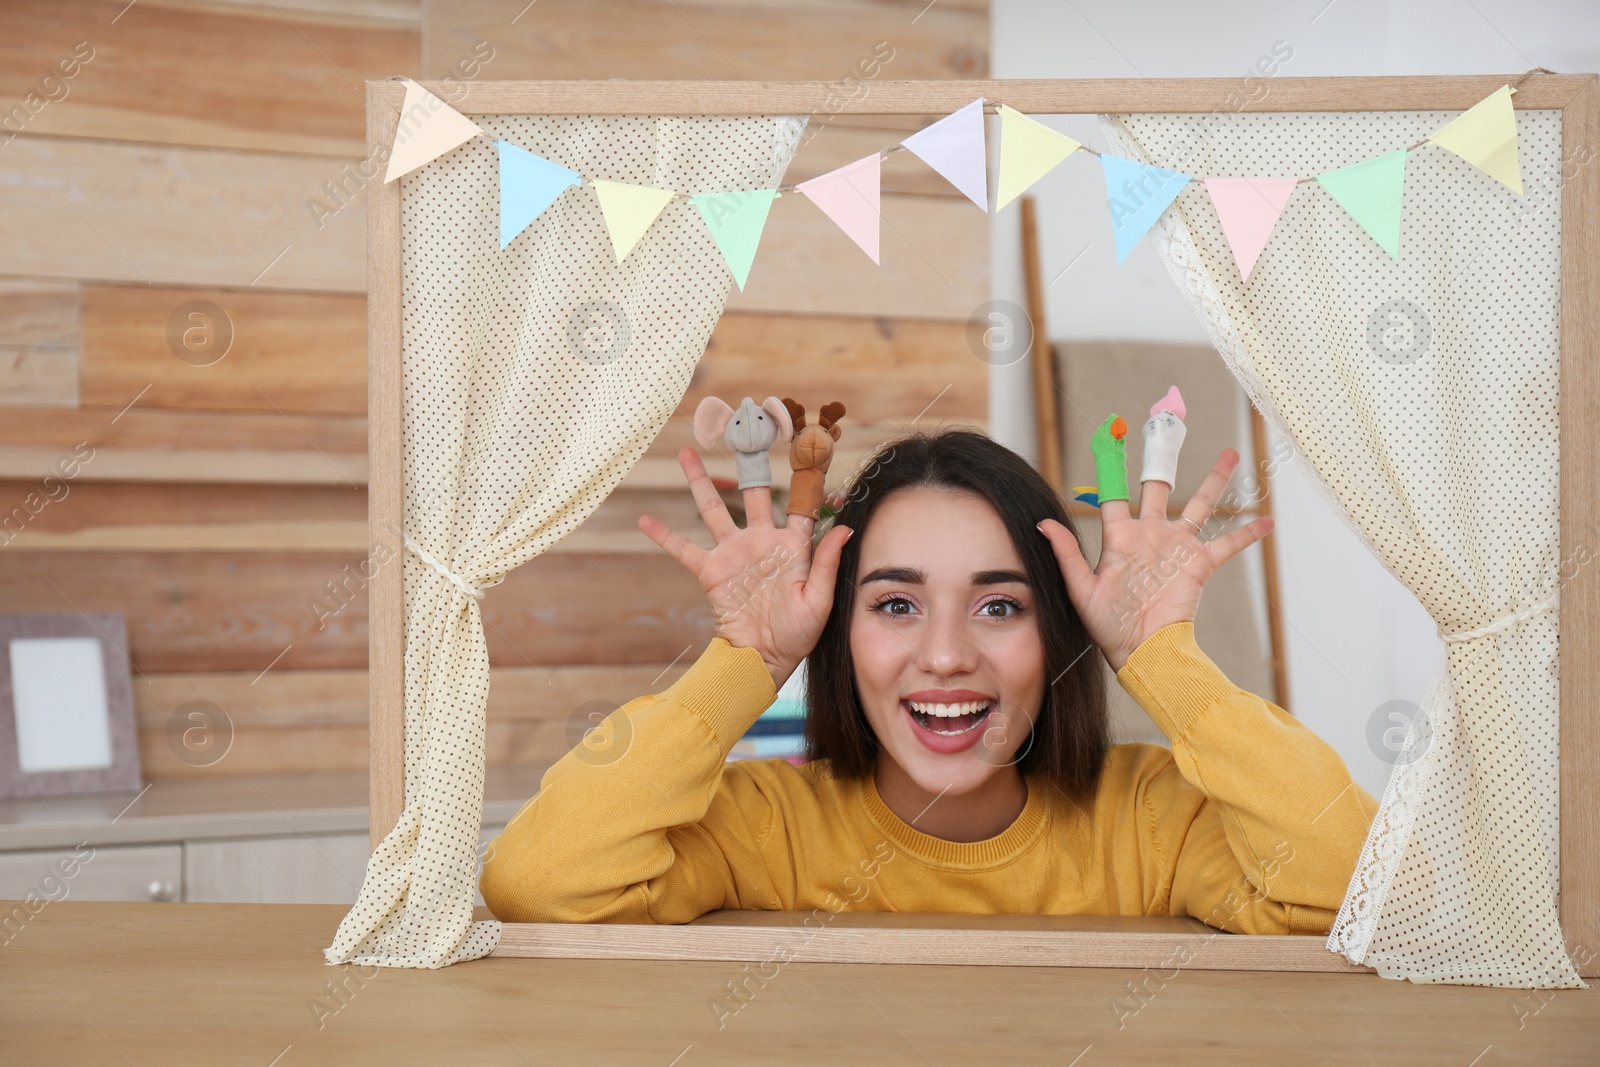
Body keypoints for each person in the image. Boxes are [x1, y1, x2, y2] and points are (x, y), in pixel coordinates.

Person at [479, 428, 1379, 934]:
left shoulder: (1154, 823)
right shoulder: (766, 829)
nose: (946, 656)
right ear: (839, 634)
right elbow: (542, 881)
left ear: (1057, 633)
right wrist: (743, 661)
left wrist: (1160, 654)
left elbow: (1348, 888)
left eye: (1000, 607)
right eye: (896, 605)